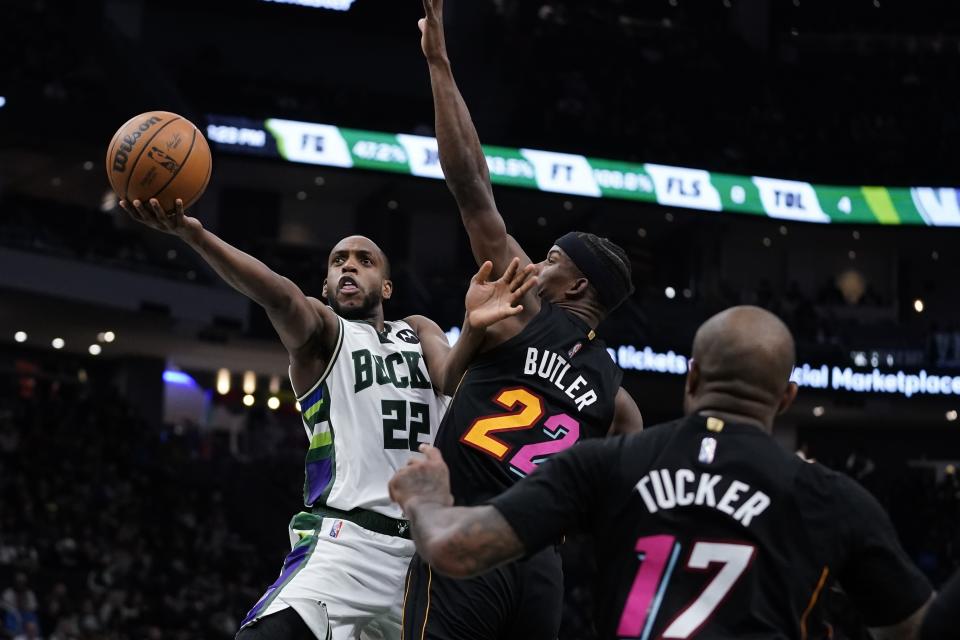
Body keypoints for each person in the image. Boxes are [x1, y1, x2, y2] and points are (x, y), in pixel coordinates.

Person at [120, 198, 537, 640]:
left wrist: (472, 328)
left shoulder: (417, 328)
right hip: (345, 543)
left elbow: (450, 378)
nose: (349, 267)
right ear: (325, 285)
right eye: (339, 261)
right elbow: (278, 295)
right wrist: (194, 234)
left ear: (388, 287)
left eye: (364, 260)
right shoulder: (324, 336)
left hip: (425, 556)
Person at [390, 306, 936, 639]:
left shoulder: (607, 462)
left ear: (692, 379)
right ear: (788, 397)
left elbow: (455, 550)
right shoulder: (831, 498)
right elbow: (917, 629)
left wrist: (427, 499)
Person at [401, 1, 644, 638]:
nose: (534, 262)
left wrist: (439, 63)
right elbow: (620, 508)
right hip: (540, 567)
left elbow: (470, 182)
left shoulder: (522, 305)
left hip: (465, 536)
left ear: (576, 283)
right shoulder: (619, 400)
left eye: (552, 257)